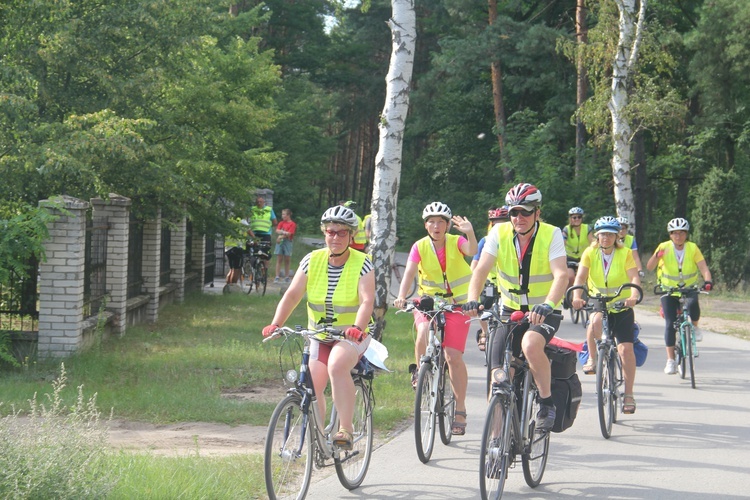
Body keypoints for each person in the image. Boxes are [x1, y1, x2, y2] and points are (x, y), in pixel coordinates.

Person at [262, 205, 375, 450]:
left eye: (341, 233)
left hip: (353, 335)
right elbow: (292, 295)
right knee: (312, 384)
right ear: (324, 233)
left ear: (351, 235)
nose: (335, 237)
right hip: (319, 334)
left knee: (336, 365)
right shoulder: (311, 260)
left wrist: (357, 326)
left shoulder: (362, 263)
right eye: (330, 232)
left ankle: (345, 429)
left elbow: (367, 301)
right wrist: (276, 324)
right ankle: (319, 441)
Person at [465, 183, 568, 431]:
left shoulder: (551, 234)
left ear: (537, 213)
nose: (518, 218)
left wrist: (548, 304)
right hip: (509, 311)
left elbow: (561, 275)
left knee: (530, 345)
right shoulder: (498, 233)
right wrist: (472, 298)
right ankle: (495, 442)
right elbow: (481, 270)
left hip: (544, 310)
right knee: (498, 375)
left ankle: (545, 402)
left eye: (525, 211)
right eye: (513, 212)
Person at [393, 202, 477, 436]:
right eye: (431, 221)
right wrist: (402, 296)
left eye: (441, 221)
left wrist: (469, 231)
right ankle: (421, 371)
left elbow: (471, 250)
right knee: (422, 333)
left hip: (458, 304)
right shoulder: (419, 246)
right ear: (426, 225)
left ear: (448, 225)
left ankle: (459, 409)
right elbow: (409, 272)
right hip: (428, 302)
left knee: (453, 357)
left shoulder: (455, 242)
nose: (436, 225)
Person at [571, 216, 642, 414]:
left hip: (621, 305)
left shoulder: (625, 253)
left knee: (625, 349)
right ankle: (593, 359)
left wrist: (634, 294)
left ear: (616, 236)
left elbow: (634, 276)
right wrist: (577, 295)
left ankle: (628, 394)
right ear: (596, 236)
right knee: (594, 321)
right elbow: (581, 276)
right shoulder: (589, 252)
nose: (606, 238)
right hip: (598, 301)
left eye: (610, 234)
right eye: (602, 234)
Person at [646, 218, 713, 375]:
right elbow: (650, 267)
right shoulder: (664, 247)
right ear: (670, 235)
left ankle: (695, 327)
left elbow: (703, 267)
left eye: (681, 233)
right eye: (674, 233)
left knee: (693, 305)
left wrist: (708, 281)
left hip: (689, 288)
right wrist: (657, 256)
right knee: (670, 324)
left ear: (686, 234)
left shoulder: (692, 248)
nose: (678, 236)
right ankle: (670, 360)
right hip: (668, 290)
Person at [471, 207, 509, 352]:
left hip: (507, 284)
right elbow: (475, 266)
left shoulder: (513, 240)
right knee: (482, 306)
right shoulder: (485, 241)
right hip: (490, 282)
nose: (497, 227)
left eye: (502, 223)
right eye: (494, 224)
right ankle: (484, 332)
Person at [562, 207, 594, 306]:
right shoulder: (566, 229)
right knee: (571, 277)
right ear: (570, 218)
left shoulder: (586, 228)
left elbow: (592, 241)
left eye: (579, 217)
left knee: (588, 277)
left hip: (583, 257)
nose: (576, 219)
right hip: (570, 257)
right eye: (574, 217)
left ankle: (591, 296)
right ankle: (566, 297)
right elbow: (562, 243)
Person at [273, 208, 297, 283]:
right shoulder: (281, 223)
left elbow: (289, 233)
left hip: (288, 241)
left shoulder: (292, 224)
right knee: (279, 259)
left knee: (287, 259)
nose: (282, 216)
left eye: (284, 214)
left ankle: (287, 276)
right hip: (280, 242)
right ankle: (277, 276)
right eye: (282, 214)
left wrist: (281, 236)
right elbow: (277, 230)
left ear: (288, 215)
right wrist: (283, 232)